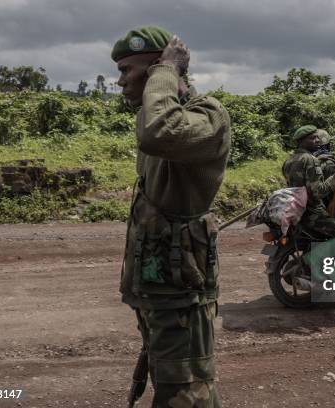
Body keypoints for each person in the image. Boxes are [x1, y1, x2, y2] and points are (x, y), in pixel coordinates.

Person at [113, 25, 230, 407]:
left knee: (186, 394)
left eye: (127, 71)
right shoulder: (155, 115)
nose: (120, 81)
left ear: (155, 70)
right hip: (160, 289)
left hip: (181, 295)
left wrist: (167, 71)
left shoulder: (207, 117)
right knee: (178, 388)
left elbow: (159, 133)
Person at [282, 125, 335, 241]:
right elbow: (318, 192)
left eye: (317, 138)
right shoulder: (310, 160)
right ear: (301, 141)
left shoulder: (289, 160)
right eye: (312, 138)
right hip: (313, 214)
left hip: (297, 211)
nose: (317, 141)